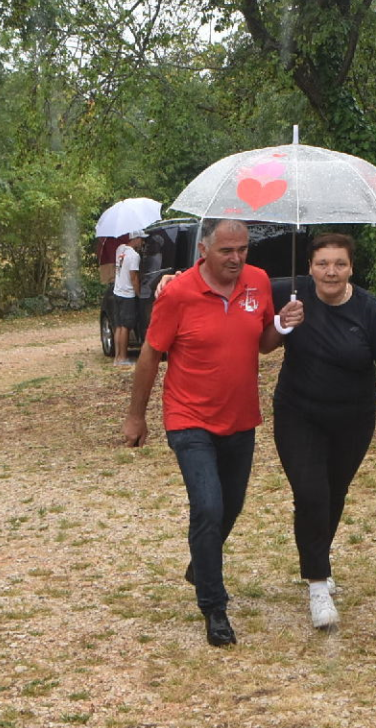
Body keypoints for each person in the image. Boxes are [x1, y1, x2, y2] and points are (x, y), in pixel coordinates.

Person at [121, 217, 284, 647]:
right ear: (203, 250)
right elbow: (150, 355)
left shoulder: (259, 282)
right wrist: (136, 416)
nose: (236, 258)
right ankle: (214, 607)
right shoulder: (177, 293)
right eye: (227, 250)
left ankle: (202, 559)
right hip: (188, 417)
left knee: (231, 506)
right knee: (208, 506)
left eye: (243, 250)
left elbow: (263, 342)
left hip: (240, 417)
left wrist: (284, 326)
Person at [271, 232, 376, 630]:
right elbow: (239, 289)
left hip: (352, 419)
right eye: (322, 264)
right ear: (310, 268)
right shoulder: (292, 294)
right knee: (311, 493)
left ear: (351, 268)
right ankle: (318, 585)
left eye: (339, 264)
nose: (330, 272)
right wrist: (173, 279)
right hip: (297, 413)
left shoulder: (369, 310)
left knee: (333, 495)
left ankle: (319, 560)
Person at [111, 232, 145, 369]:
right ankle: (123, 357)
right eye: (141, 239)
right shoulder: (134, 256)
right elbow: (134, 277)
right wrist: (139, 294)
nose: (142, 242)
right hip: (127, 294)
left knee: (118, 326)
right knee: (126, 326)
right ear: (136, 239)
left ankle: (117, 357)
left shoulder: (120, 249)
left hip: (117, 292)